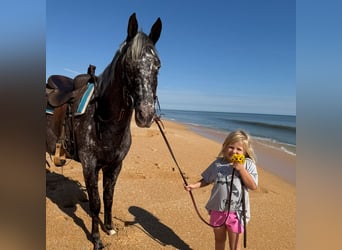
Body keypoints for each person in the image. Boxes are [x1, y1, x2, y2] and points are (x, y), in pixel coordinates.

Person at [184, 130, 258, 250]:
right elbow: (207, 179)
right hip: (218, 210)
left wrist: (241, 169)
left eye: (239, 149)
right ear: (225, 147)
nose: (234, 151)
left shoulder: (248, 165)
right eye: (231, 147)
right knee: (219, 240)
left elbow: (253, 186)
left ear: (245, 152)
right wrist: (194, 186)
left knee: (235, 246)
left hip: (237, 212)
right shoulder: (218, 164)